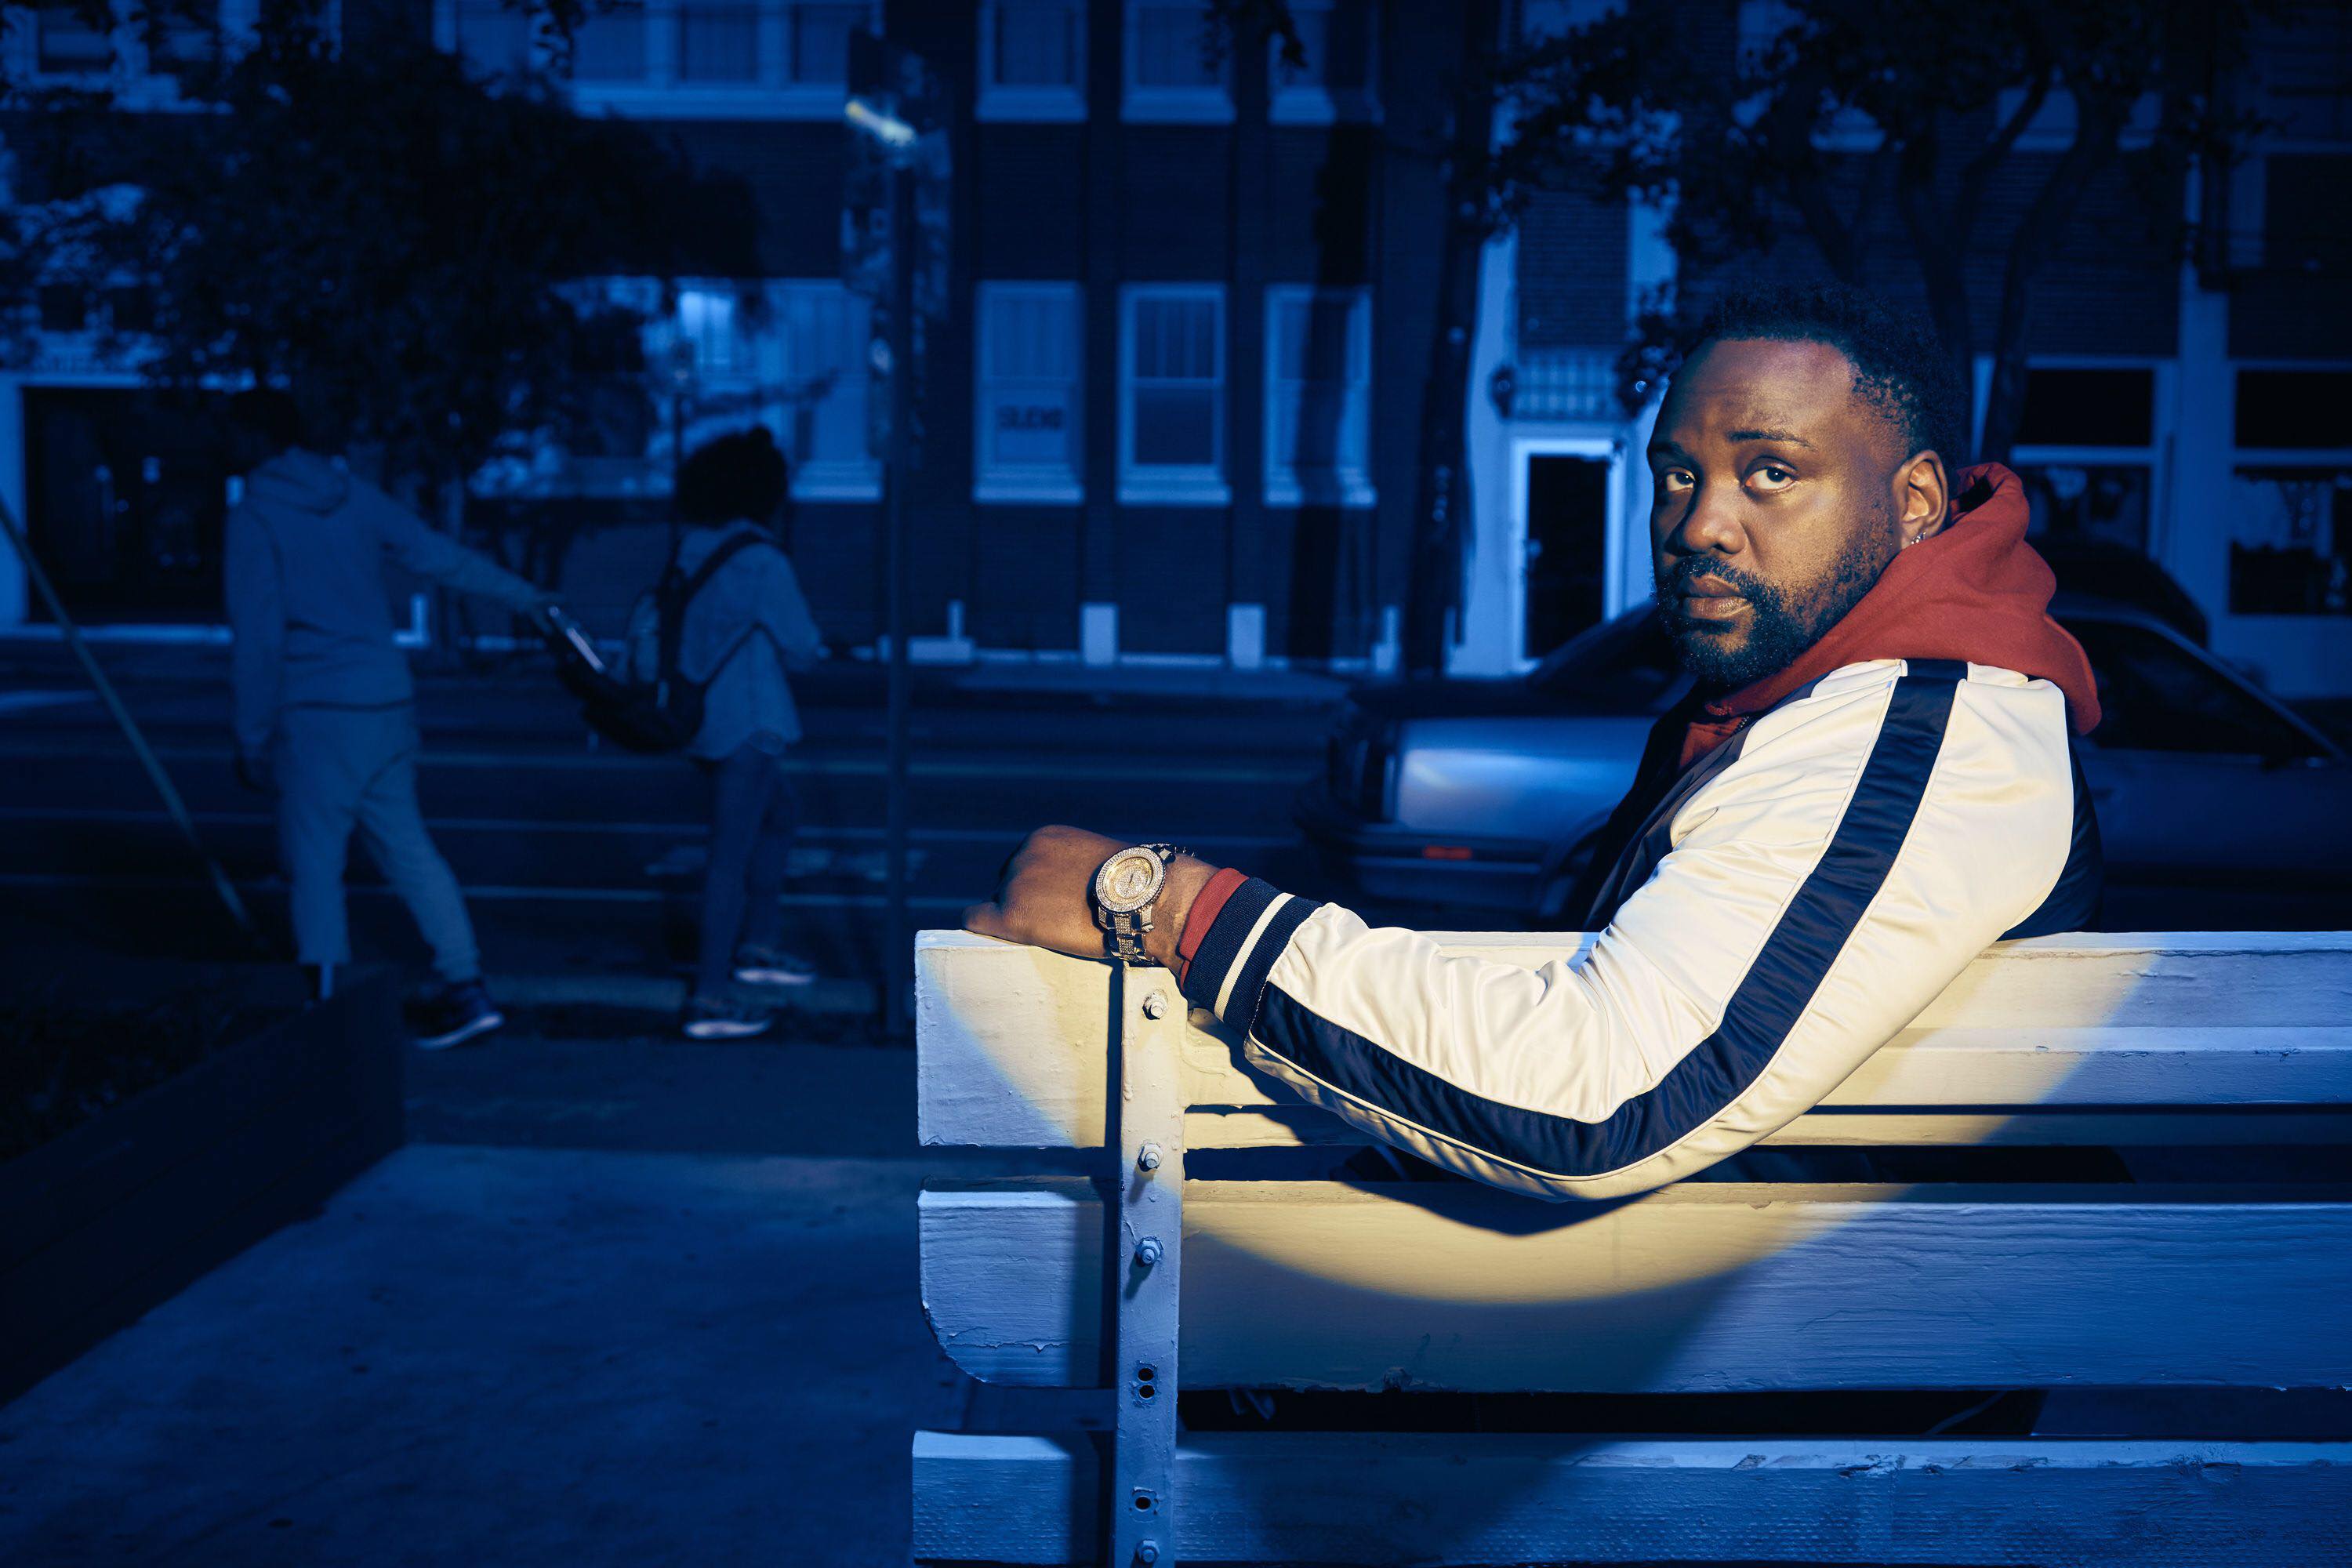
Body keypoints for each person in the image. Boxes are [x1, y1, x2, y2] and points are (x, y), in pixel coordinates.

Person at [965, 282, 2104, 1202]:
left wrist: (1167, 905)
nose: (1701, 522)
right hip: (1721, 1303)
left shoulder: (1924, 735)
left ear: (1915, 503)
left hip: (1801, 1351)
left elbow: (1598, 1096)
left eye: (1771, 472)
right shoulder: (1822, 701)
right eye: (1678, 475)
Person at [223, 389, 557, 1049]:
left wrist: (252, 735)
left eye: (229, 432)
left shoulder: (255, 516)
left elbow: (257, 637)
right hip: (385, 698)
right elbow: (438, 555)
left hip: (317, 709)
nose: (221, 444)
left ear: (257, 440)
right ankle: (467, 987)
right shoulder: (353, 495)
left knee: (315, 865)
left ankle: (329, 1010)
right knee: (409, 850)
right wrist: (529, 598)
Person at [627, 427, 824, 1041]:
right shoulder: (762, 560)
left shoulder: (692, 547)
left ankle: (758, 946)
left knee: (780, 817)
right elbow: (803, 648)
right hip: (751, 721)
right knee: (730, 855)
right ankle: (710, 995)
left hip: (702, 716)